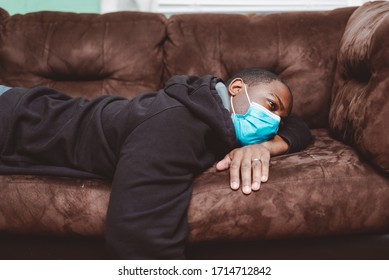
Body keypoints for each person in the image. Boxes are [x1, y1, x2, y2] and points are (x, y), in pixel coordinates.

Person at [0, 68, 311, 259]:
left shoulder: (207, 107)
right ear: (237, 89)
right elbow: (138, 241)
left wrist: (267, 147)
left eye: (278, 121)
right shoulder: (179, 126)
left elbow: (300, 127)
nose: (272, 122)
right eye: (271, 106)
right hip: (12, 119)